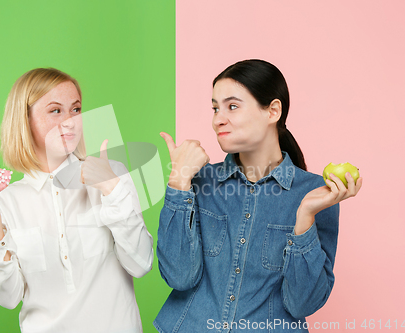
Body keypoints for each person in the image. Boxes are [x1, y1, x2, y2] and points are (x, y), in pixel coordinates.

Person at [154, 59, 362, 332]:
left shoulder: (317, 195)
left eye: (232, 106)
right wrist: (178, 182)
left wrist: (305, 217)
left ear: (273, 111)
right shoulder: (198, 179)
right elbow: (178, 277)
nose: (218, 119)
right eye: (215, 108)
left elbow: (302, 304)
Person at [0, 68, 153, 333]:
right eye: (55, 111)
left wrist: (112, 189)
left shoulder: (111, 174)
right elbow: (8, 298)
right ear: (25, 119)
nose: (70, 121)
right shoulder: (8, 200)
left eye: (75, 110)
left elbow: (141, 264)